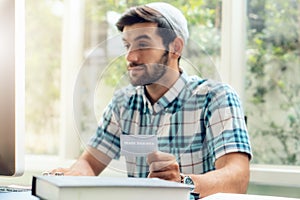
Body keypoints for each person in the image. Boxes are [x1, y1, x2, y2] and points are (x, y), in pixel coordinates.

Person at [52, 2, 252, 198]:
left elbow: (237, 178)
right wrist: (70, 177)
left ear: (176, 47)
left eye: (143, 44)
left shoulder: (216, 97)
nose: (130, 56)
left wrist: (182, 183)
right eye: (127, 45)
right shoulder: (123, 103)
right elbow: (89, 163)